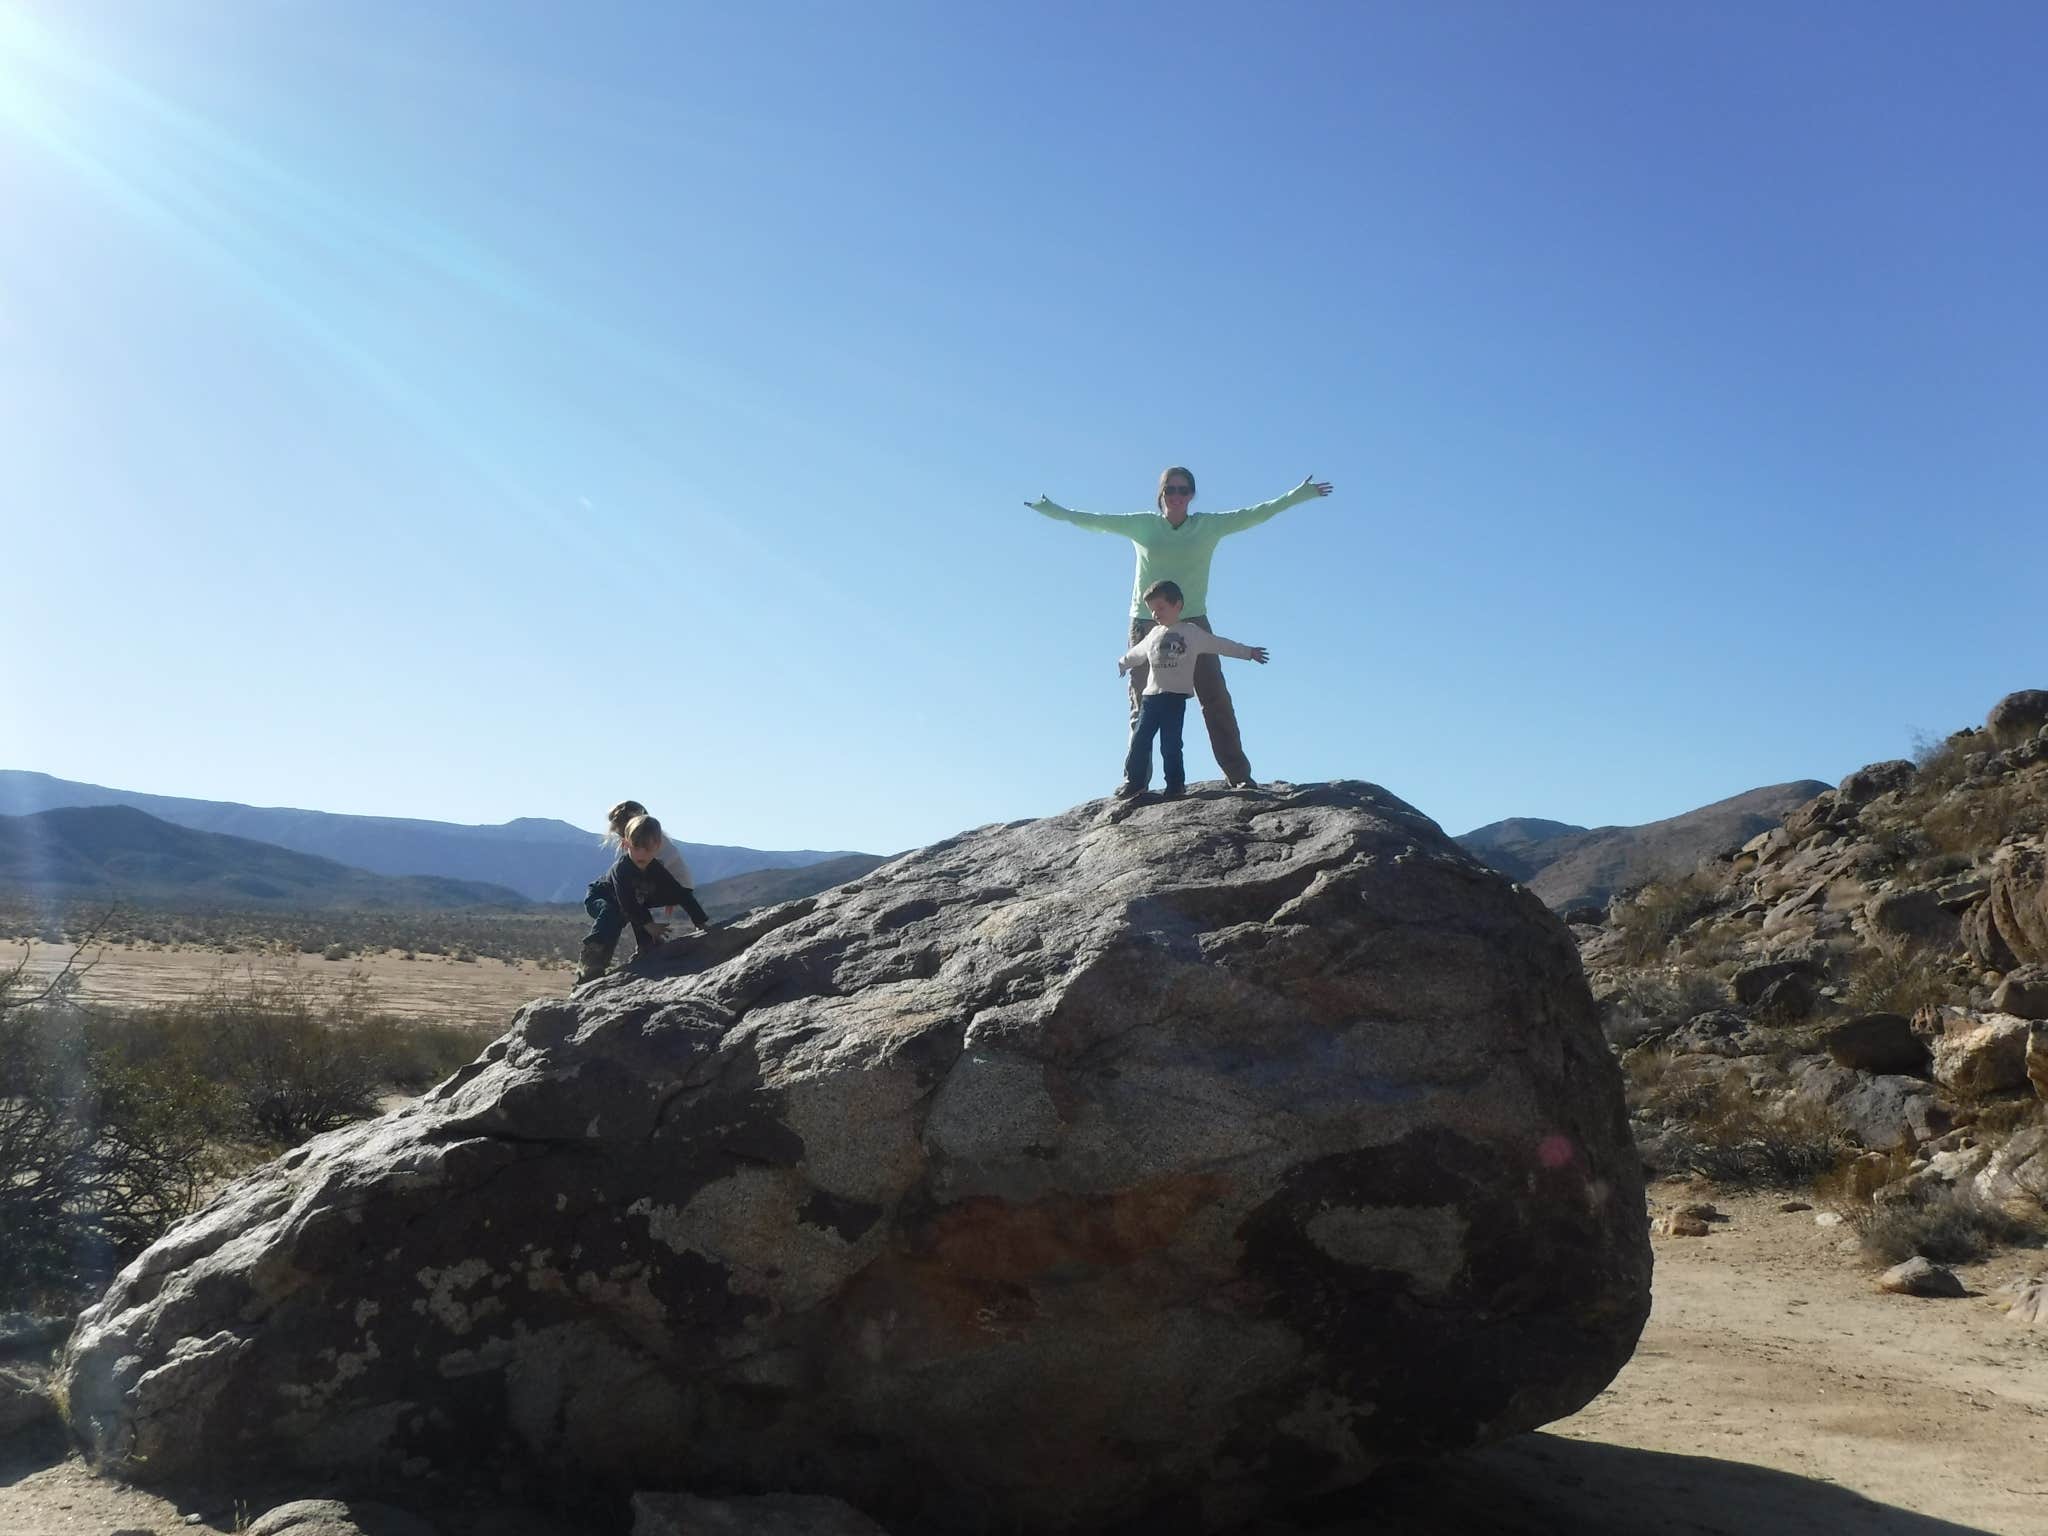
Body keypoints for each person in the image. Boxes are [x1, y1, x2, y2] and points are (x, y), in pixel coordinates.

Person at [1029, 467, 1331, 788]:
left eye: (1183, 490)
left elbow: (1255, 514)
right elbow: (1095, 520)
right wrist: (1053, 510)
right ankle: (1136, 781)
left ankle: (1239, 776)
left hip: (1193, 622)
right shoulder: (1143, 525)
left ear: (1191, 495)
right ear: (1161, 494)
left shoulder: (1207, 527)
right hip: (1147, 625)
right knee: (1143, 704)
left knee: (1215, 699)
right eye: (1170, 490)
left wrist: (1298, 495)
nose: (1176, 496)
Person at [1115, 580, 1267, 800]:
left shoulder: (1191, 633)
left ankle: (1175, 786)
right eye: (1152, 611)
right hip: (1150, 698)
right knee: (1140, 741)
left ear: (1177, 605)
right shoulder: (1154, 634)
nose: (1156, 614)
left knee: (1171, 744)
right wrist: (1123, 663)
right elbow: (1137, 652)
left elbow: (1220, 644)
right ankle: (1135, 783)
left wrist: (1248, 652)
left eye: (1161, 608)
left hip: (1174, 699)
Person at [576, 803, 708, 982]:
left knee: (638, 905)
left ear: (657, 846)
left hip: (633, 898)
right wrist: (650, 925)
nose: (641, 853)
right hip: (601, 896)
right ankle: (592, 958)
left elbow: (680, 893)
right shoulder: (622, 869)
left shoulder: (654, 866)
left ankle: (647, 946)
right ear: (625, 843)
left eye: (647, 848)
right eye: (635, 847)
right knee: (613, 913)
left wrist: (700, 920)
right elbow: (627, 902)